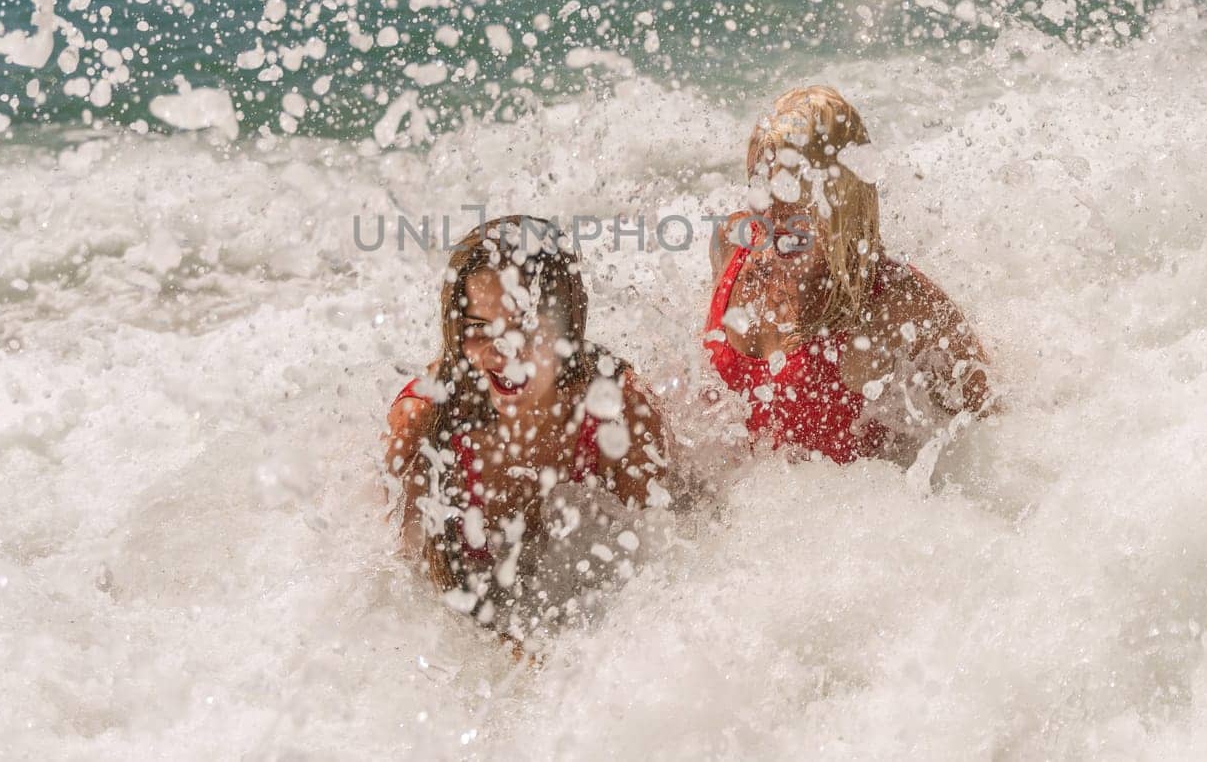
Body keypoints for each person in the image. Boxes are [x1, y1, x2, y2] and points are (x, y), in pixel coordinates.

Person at [384, 215, 670, 641]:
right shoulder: (424, 421)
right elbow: (403, 589)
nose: (502, 351)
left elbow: (667, 555)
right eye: (479, 328)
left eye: (525, 326)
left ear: (569, 324)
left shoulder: (614, 407)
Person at [705, 85, 993, 466]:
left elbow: (989, 422)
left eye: (788, 193)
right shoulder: (731, 241)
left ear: (837, 201)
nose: (768, 216)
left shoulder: (896, 301)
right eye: (760, 185)